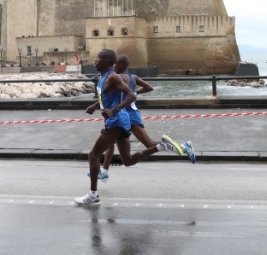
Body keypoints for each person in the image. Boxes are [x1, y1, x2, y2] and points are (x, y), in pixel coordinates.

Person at [75, 49, 189, 206]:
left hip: (116, 121)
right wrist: (96, 106)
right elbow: (108, 98)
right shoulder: (103, 77)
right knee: (127, 161)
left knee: (93, 155)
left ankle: (93, 195)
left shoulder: (112, 77)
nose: (94, 61)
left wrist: (114, 109)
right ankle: (161, 146)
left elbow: (132, 95)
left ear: (107, 62)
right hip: (120, 121)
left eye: (98, 58)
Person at [88, 55, 196, 182]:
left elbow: (112, 94)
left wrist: (128, 96)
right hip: (126, 114)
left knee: (148, 144)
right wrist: (135, 93)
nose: (113, 67)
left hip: (127, 116)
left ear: (121, 65)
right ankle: (104, 171)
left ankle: (183, 147)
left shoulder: (117, 77)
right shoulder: (133, 77)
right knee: (110, 144)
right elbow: (149, 88)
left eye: (115, 64)